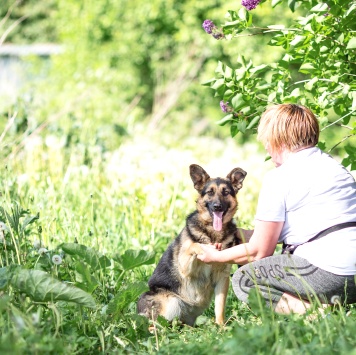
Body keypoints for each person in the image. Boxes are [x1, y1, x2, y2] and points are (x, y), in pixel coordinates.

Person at [197, 104, 356, 314]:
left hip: (333, 273)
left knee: (245, 280)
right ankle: (330, 303)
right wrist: (231, 235)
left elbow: (259, 251)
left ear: (278, 139)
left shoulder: (280, 177)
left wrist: (213, 257)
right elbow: (274, 236)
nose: (266, 148)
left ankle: (314, 311)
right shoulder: (336, 169)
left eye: (266, 141)